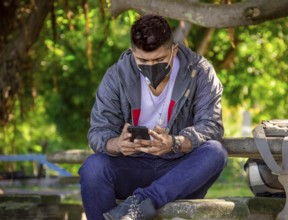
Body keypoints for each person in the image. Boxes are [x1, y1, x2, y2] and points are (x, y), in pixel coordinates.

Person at [78, 14, 228, 220]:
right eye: (142, 60)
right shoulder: (116, 76)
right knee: (92, 168)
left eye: (159, 59)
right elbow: (97, 132)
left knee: (216, 152)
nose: (151, 65)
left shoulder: (200, 71)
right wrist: (117, 144)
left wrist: (175, 142)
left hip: (179, 171)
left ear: (174, 49)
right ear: (132, 52)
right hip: (133, 166)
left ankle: (138, 206)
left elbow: (211, 126)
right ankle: (133, 210)